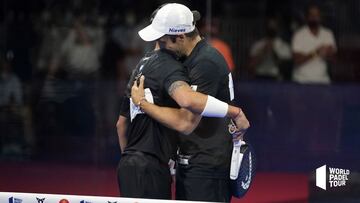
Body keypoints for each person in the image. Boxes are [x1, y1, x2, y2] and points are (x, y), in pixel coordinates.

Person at [116, 4, 249, 201]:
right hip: (191, 164)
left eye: (163, 42)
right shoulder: (187, 59)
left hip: (207, 168)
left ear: (180, 37)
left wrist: (143, 103)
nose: (161, 48)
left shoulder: (205, 62)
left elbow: (185, 122)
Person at [292, 4, 337, 84]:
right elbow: (297, 60)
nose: (314, 17)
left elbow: (334, 59)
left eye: (316, 15)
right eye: (311, 15)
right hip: (301, 80)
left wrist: (328, 53)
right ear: (306, 17)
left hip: (323, 81)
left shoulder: (328, 34)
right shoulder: (298, 35)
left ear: (320, 17)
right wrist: (316, 52)